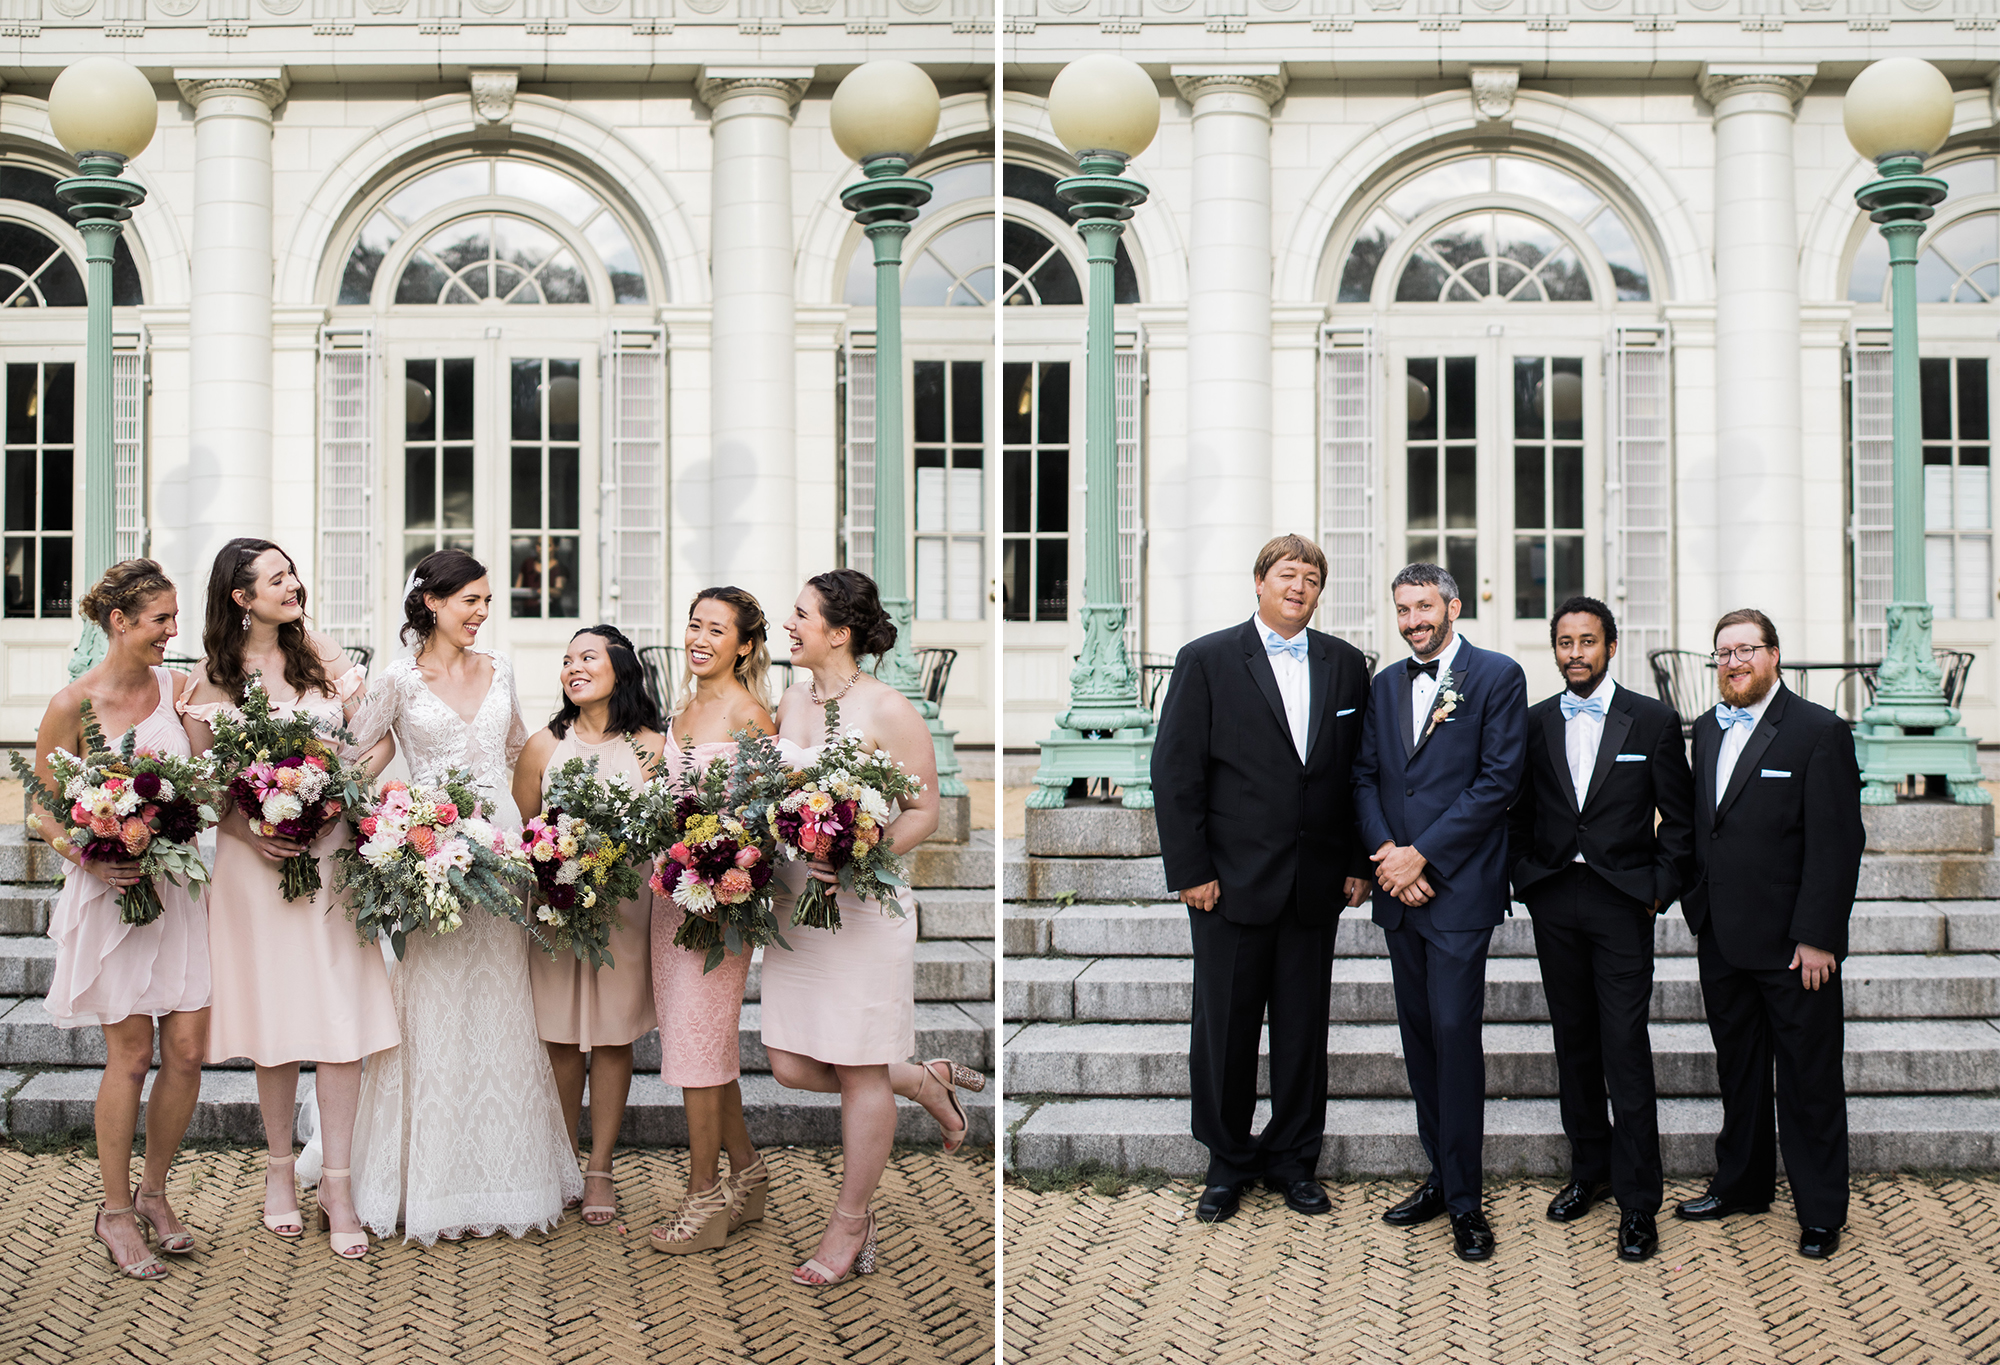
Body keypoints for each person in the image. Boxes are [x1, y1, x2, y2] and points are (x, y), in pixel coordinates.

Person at [345, 549, 584, 1242]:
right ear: (431, 603)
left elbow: (520, 752)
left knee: (500, 999)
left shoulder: (502, 668)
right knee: (431, 1003)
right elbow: (359, 760)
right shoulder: (396, 680)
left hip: (502, 856)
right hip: (431, 859)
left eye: (486, 601)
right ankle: (427, 1178)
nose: (483, 613)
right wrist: (387, 823)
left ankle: (506, 1171)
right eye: (471, 601)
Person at [761, 568, 983, 1287]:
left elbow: (924, 809)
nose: (788, 625)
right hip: (800, 905)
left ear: (838, 630)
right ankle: (923, 1079)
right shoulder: (789, 699)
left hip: (863, 907)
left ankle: (851, 1221)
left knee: (859, 1067)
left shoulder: (889, 707)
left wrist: (862, 848)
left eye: (800, 615)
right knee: (792, 1063)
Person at [180, 539, 398, 1262]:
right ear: (241, 598)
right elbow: (205, 788)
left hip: (329, 860)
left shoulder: (319, 666)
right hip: (253, 869)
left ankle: (336, 1183)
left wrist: (334, 801)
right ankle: (279, 1172)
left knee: (341, 1020)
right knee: (274, 1019)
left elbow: (379, 738)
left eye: (294, 572)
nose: (294, 584)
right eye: (277, 579)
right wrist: (252, 825)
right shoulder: (210, 680)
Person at [1149, 533, 1373, 1225]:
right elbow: (1174, 771)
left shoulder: (1346, 665)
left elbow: (1359, 771)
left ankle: (1293, 1159)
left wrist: (1358, 861)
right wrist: (1191, 870)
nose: (1299, 586)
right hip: (1228, 884)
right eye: (1286, 574)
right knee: (1225, 1030)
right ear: (1259, 582)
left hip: (1314, 885)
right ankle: (1227, 1162)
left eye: (1310, 577)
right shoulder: (1207, 659)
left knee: (1304, 1030)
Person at [32, 560, 210, 1281]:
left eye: (174, 618)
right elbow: (41, 804)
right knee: (132, 1055)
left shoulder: (179, 687)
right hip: (112, 893)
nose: (173, 631)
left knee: (191, 1049)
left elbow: (201, 779)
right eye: (161, 619)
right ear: (119, 621)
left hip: (179, 894)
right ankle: (113, 1210)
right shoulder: (72, 703)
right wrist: (91, 848)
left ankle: (156, 1192)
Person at [1506, 596, 1693, 1263]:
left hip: (1622, 902)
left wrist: (1657, 889)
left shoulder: (1653, 720)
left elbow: (1680, 817)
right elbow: (1516, 812)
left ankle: (1639, 1201)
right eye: (1564, 642)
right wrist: (1527, 878)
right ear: (1553, 649)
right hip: (1556, 897)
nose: (1575, 652)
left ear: (1611, 646)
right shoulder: (1531, 724)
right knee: (1573, 1038)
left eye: (1588, 641)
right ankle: (1591, 1170)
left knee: (1623, 1045)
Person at [1353, 562, 1526, 1262]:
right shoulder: (1386, 684)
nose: (1413, 619)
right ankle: (1440, 1173)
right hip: (1401, 893)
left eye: (1424, 606)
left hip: (1457, 892)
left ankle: (1465, 1201)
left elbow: (1497, 783)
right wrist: (1388, 855)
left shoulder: (1496, 675)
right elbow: (1364, 777)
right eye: (1403, 609)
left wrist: (1423, 855)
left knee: (1456, 1039)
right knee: (1420, 1040)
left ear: (1453, 606)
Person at [1677, 608, 1863, 1260]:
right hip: (1722, 938)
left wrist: (1818, 936)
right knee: (1741, 1073)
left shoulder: (1818, 732)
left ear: (1774, 655)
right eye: (1724, 652)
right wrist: (1696, 906)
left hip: (1793, 946)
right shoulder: (1704, 727)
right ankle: (1742, 1184)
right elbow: (1709, 828)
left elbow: (1837, 845)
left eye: (1746, 650)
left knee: (1809, 1080)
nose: (1733, 662)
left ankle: (1820, 1210)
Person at [513, 625, 665, 1230]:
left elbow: (665, 827)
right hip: (553, 909)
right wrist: (556, 866)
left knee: (610, 1035)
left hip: (624, 912)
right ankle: (560, 1160)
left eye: (588, 657)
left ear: (620, 667)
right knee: (555, 1033)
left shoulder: (654, 747)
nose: (573, 668)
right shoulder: (542, 747)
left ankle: (599, 1166)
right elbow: (526, 828)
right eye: (567, 660)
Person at [647, 587, 776, 1255]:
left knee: (699, 1047)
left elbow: (764, 818)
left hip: (722, 908)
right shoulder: (684, 707)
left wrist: (727, 869)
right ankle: (748, 1172)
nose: (699, 636)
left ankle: (704, 1200)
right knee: (699, 1045)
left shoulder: (750, 713)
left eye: (716, 628)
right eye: (693, 623)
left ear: (745, 644)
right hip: (671, 903)